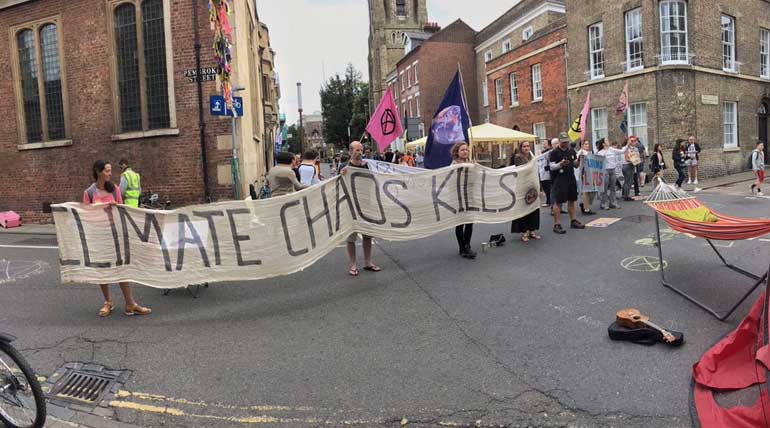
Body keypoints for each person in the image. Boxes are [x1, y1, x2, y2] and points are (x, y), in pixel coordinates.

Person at [85, 160, 151, 317]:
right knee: (102, 269)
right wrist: (97, 208)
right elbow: (86, 215)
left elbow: (122, 212)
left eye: (110, 170)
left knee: (122, 268)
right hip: (99, 234)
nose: (110, 173)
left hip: (115, 233)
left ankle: (130, 303)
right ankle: (108, 302)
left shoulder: (114, 189)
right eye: (107, 171)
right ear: (98, 172)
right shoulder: (89, 192)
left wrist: (115, 207)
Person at [340, 141, 382, 276]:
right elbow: (337, 185)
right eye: (357, 150)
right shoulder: (344, 166)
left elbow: (375, 180)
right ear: (350, 152)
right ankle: (353, 264)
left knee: (367, 235)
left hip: (366, 204)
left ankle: (368, 262)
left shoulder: (368, 165)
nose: (360, 152)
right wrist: (342, 174)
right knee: (351, 237)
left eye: (361, 150)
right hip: (350, 206)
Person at [549, 136, 585, 234]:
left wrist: (579, 159)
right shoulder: (554, 152)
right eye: (564, 142)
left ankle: (573, 220)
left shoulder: (571, 151)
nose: (566, 143)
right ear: (560, 141)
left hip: (570, 178)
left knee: (572, 200)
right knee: (558, 202)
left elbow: (575, 165)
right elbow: (551, 167)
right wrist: (560, 164)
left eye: (567, 142)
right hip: (559, 179)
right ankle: (557, 224)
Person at [450, 141, 477, 258]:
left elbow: (474, 179)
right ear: (457, 152)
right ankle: (462, 248)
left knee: (470, 222)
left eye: (466, 149)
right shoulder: (454, 164)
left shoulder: (470, 163)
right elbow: (451, 180)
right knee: (460, 223)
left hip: (470, 196)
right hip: (458, 196)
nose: (465, 151)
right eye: (462, 150)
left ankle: (467, 246)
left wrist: (475, 168)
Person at [510, 142, 541, 242]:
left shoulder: (532, 156)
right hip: (522, 186)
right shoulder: (518, 157)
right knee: (524, 209)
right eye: (524, 146)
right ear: (521, 148)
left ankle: (532, 230)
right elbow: (524, 169)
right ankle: (524, 232)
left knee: (533, 208)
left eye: (528, 146)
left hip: (532, 186)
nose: (526, 148)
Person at [596, 139, 623, 210]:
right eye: (607, 141)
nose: (608, 141)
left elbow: (622, 151)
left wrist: (628, 145)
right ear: (603, 144)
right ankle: (603, 204)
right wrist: (604, 154)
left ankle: (613, 203)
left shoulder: (612, 149)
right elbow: (599, 162)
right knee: (604, 188)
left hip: (613, 169)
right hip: (605, 170)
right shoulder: (600, 152)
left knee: (613, 187)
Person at [577, 140, 596, 215]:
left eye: (588, 144)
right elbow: (578, 163)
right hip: (584, 174)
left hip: (591, 173)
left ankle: (584, 204)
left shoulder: (589, 153)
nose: (587, 145)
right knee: (586, 191)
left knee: (592, 191)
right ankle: (586, 209)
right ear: (582, 145)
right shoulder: (581, 153)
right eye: (585, 144)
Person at [621, 136, 641, 201]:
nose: (634, 142)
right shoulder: (625, 148)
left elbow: (638, 156)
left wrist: (636, 160)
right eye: (632, 141)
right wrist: (634, 160)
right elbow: (627, 158)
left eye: (634, 141)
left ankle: (624, 195)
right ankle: (626, 196)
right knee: (628, 181)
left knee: (628, 181)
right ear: (629, 141)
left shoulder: (636, 148)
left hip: (632, 165)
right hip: (627, 165)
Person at [537, 139, 553, 207]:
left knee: (548, 188)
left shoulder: (550, 152)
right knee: (545, 188)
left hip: (547, 173)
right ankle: (549, 201)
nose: (543, 144)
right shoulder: (543, 152)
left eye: (545, 143)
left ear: (549, 144)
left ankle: (549, 202)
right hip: (542, 173)